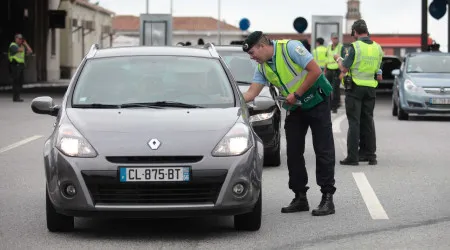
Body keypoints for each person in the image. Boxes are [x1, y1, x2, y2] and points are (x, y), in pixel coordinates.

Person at [241, 31, 336, 216]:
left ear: (262, 46)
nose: (252, 58)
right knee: (293, 152)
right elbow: (251, 93)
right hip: (296, 107)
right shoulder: (262, 67)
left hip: (317, 100)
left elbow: (315, 71)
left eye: (252, 53)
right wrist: (229, 99)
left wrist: (297, 94)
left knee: (323, 149)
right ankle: (300, 196)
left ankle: (327, 198)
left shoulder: (290, 48)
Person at [334, 19, 383, 166]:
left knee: (354, 122)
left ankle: (353, 157)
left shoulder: (355, 47)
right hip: (371, 89)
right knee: (368, 121)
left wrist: (338, 59)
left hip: (355, 88)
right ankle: (371, 155)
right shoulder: (377, 47)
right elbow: (379, 71)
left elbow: (344, 68)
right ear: (367, 31)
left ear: (355, 32)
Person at [8, 33, 32, 102]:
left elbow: (30, 51)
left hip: (20, 66)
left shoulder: (22, 46)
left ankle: (17, 96)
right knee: (16, 82)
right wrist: (24, 45)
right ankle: (15, 97)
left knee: (20, 81)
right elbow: (20, 50)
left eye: (21, 39)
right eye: (19, 39)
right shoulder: (13, 45)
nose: (20, 40)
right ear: (15, 39)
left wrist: (26, 44)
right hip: (15, 65)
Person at [325, 32, 343, 113]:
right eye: (334, 38)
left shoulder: (341, 47)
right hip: (329, 69)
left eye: (336, 38)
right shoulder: (328, 47)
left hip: (337, 70)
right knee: (327, 88)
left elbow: (343, 59)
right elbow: (326, 58)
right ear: (331, 39)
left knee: (335, 89)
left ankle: (335, 106)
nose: (335, 40)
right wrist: (325, 69)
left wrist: (342, 71)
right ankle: (328, 105)